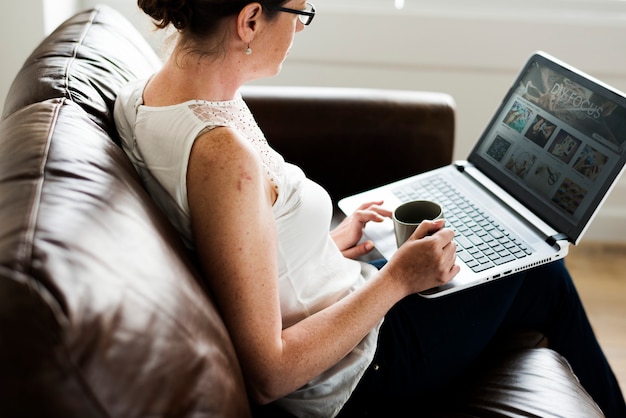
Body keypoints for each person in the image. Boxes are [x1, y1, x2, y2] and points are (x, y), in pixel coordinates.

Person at [114, 1, 626, 416]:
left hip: (344, 294)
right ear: (249, 20)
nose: (300, 25)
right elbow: (268, 374)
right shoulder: (222, 155)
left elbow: (241, 240)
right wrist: (397, 280)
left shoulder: (149, 95)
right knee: (544, 272)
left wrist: (324, 244)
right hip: (363, 367)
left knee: (473, 249)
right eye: (299, 11)